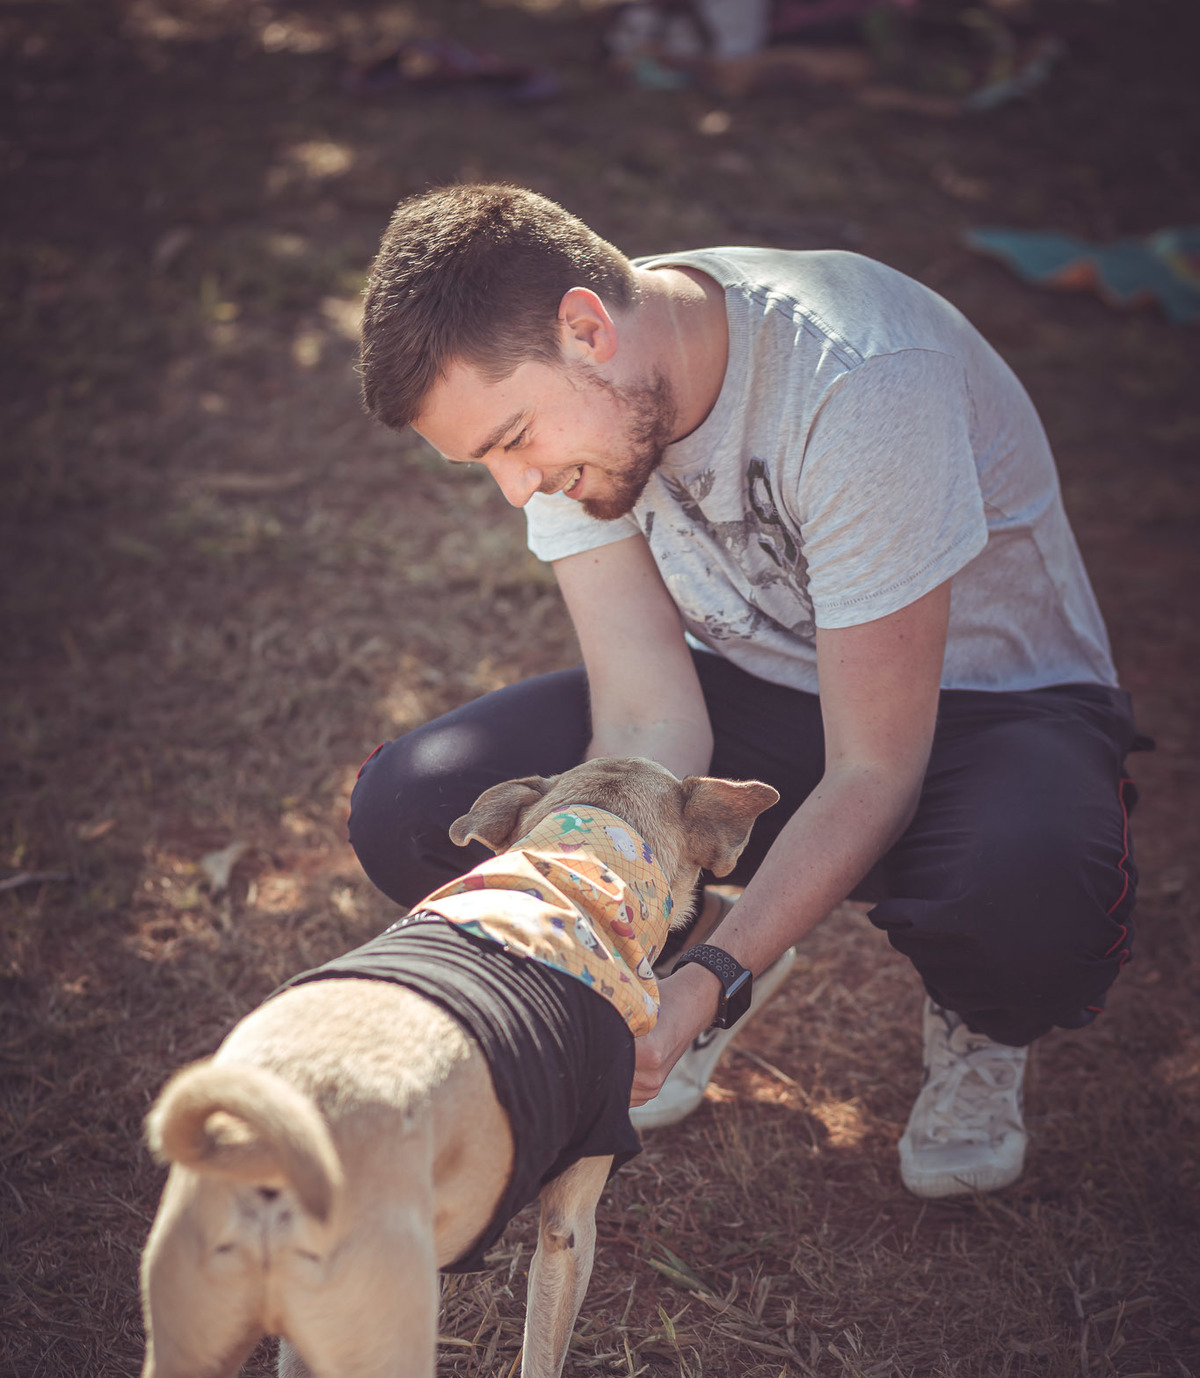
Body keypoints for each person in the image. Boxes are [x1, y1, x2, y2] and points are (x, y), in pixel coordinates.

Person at [348, 182, 1144, 1198]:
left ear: (586, 329)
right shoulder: (592, 415)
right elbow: (647, 720)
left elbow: (875, 767)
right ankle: (710, 939)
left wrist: (708, 980)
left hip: (986, 714)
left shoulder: (860, 378)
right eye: (484, 465)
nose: (517, 490)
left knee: (1031, 897)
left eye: (512, 440)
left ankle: (965, 1007)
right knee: (415, 807)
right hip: (759, 692)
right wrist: (607, 931)